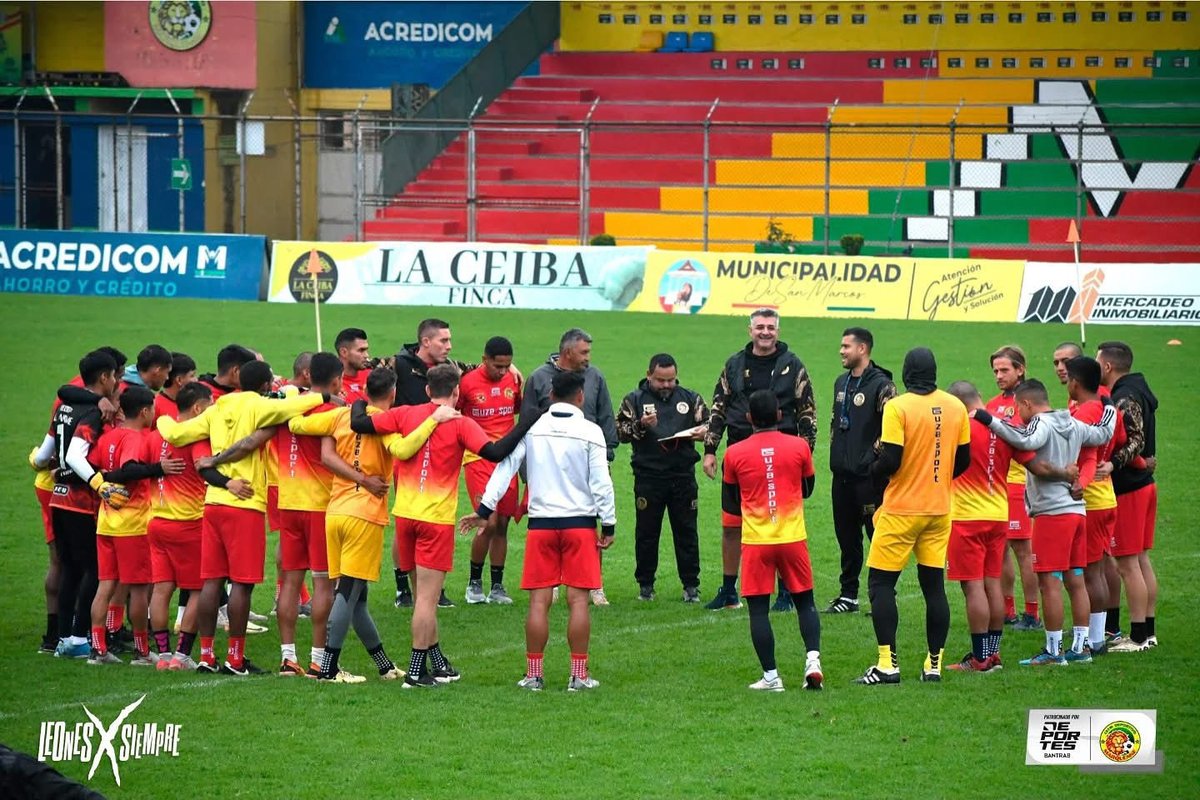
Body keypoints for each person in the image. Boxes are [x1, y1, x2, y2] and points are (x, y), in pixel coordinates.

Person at [349, 364, 534, 688]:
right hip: (434, 522)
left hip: (405, 517)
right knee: (426, 600)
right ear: (457, 392)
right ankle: (416, 671)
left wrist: (358, 399)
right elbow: (495, 452)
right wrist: (526, 422)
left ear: (427, 390)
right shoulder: (461, 423)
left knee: (423, 596)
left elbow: (359, 422)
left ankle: (437, 662)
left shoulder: (405, 413)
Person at [155, 360, 333, 675]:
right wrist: (326, 397)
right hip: (245, 502)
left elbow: (178, 434)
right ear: (265, 386)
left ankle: (206, 655)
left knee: (211, 581)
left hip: (213, 503)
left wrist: (162, 420)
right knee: (242, 584)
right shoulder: (260, 406)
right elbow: (295, 406)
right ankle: (235, 659)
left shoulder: (217, 408)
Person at [289, 367, 451, 683]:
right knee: (347, 594)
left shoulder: (339, 417)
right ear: (393, 393)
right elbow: (403, 449)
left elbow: (296, 423)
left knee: (357, 598)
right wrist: (434, 420)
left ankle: (384, 665)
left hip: (335, 513)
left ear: (365, 390)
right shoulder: (384, 423)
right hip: (364, 516)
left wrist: (314, 398)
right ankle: (328, 669)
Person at [460, 370, 616, 692]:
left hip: (541, 526)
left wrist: (484, 510)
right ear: (581, 397)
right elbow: (602, 483)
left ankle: (534, 675)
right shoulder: (591, 431)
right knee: (578, 601)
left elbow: (505, 468)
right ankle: (578, 676)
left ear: (551, 395)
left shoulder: (532, 428)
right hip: (579, 525)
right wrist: (609, 524)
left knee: (538, 603)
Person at [972, 378, 1116, 667]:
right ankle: (1081, 648)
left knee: (1049, 583)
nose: (1018, 415)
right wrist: (1110, 405)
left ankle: (1053, 652)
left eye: (1018, 409)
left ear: (1027, 404)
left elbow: (1024, 440)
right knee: (1075, 580)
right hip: (1077, 512)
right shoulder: (1073, 423)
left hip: (1053, 515)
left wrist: (988, 419)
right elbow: (1104, 432)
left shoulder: (1041, 423)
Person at [855, 348, 970, 686]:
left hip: (901, 511)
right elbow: (963, 459)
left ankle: (887, 665)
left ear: (906, 375)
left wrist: (872, 472)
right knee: (933, 587)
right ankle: (934, 665)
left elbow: (891, 458)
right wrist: (939, 479)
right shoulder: (956, 406)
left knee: (881, 584)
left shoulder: (898, 406)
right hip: (939, 510)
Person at [702, 308, 816, 612]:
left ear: (778, 331)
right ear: (749, 330)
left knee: (781, 523)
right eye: (760, 327)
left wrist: (804, 454)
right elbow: (719, 406)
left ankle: (786, 593)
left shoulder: (793, 366)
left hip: (782, 457)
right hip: (740, 454)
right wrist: (710, 449)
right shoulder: (734, 365)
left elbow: (807, 412)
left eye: (770, 327)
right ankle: (729, 590)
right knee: (731, 525)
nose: (765, 332)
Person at [722, 390, 823, 691]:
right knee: (805, 602)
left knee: (758, 611)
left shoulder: (734, 453)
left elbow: (730, 502)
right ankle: (813, 661)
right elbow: (808, 488)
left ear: (749, 418)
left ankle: (771, 677)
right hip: (793, 537)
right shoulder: (799, 446)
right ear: (780, 415)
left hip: (757, 542)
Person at [30, 351, 122, 659]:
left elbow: (44, 456)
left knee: (69, 569)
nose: (116, 382)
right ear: (104, 377)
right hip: (81, 504)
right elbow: (74, 456)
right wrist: (99, 484)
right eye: (114, 376)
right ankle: (79, 638)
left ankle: (62, 639)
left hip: (57, 498)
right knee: (93, 571)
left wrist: (42, 464)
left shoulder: (64, 408)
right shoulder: (93, 413)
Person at [87, 387, 184, 666]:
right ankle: (142, 652)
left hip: (106, 523)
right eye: (152, 409)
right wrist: (158, 469)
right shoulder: (135, 438)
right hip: (133, 525)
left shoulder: (108, 437)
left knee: (106, 585)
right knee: (140, 589)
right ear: (144, 411)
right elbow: (129, 470)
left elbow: (96, 470)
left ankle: (98, 649)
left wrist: (106, 478)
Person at [522, 328, 619, 605]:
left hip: (589, 458)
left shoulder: (595, 376)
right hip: (548, 464)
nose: (588, 357)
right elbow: (526, 421)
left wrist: (607, 452)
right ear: (567, 352)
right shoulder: (539, 378)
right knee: (551, 522)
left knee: (590, 520)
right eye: (584, 352)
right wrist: (528, 473)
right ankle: (550, 583)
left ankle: (594, 584)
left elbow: (605, 415)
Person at [390, 318, 476, 608]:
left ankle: (431, 588)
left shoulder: (450, 367)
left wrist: (510, 367)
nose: (449, 346)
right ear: (426, 342)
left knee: (426, 519)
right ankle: (403, 587)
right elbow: (368, 373)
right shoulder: (399, 365)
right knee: (407, 515)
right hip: (409, 453)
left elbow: (481, 367)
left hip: (440, 451)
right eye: (444, 340)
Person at [944, 381, 1023, 672]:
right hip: (998, 515)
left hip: (967, 517)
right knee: (992, 582)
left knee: (973, 586)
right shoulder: (1002, 428)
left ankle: (980, 659)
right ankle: (993, 653)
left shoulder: (961, 428)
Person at [615, 353, 707, 602]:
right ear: (649, 375)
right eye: (660, 380)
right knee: (647, 533)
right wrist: (641, 425)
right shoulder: (634, 400)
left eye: (671, 380)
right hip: (648, 478)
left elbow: (711, 425)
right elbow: (619, 432)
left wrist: (704, 433)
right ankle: (645, 586)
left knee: (687, 532)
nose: (666, 385)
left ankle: (691, 586)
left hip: (683, 477)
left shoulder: (690, 398)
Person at [273, 352, 342, 676]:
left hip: (288, 503)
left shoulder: (285, 408)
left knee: (290, 582)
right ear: (336, 381)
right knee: (323, 584)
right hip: (319, 507)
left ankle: (288, 657)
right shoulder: (333, 413)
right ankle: (317, 658)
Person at [826, 327, 895, 614]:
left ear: (862, 349)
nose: (841, 351)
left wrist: (870, 460)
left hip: (869, 479)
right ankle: (848, 596)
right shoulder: (841, 382)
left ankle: (882, 596)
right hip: (841, 476)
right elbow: (835, 423)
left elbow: (892, 429)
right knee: (846, 538)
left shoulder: (883, 386)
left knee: (877, 537)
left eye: (846, 346)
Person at [1097, 341, 1159, 652]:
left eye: (1098, 362)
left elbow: (1136, 440)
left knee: (1127, 564)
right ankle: (1147, 632)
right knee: (1140, 560)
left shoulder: (1125, 396)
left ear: (1108, 366)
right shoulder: (1138, 390)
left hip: (1130, 489)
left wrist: (1112, 463)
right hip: (1144, 484)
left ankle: (1137, 637)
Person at [147, 381, 213, 671]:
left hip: (156, 522)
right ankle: (182, 656)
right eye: (210, 406)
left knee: (162, 589)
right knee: (199, 589)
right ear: (198, 408)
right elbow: (206, 469)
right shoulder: (196, 439)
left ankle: (162, 655)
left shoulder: (156, 436)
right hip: (188, 524)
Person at [459, 336, 523, 606]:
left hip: (507, 459)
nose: (502, 371)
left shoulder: (514, 380)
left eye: (507, 366)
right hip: (478, 457)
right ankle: (474, 583)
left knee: (503, 524)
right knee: (489, 521)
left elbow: (520, 410)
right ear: (484, 360)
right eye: (498, 366)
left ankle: (497, 586)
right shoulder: (467, 383)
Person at [985, 345, 1041, 631]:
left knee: (1023, 552)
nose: (998, 375)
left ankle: (1032, 613)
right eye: (995, 370)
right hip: (994, 488)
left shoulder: (1029, 403)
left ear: (1020, 369)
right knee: (1000, 551)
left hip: (1019, 486)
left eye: (1004, 369)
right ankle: (1007, 610)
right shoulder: (992, 404)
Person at [154, 352, 197, 422]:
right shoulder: (155, 406)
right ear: (179, 380)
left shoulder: (194, 402)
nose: (196, 380)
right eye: (192, 376)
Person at [335, 327, 373, 404]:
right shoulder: (333, 385)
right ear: (344, 352)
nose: (367, 355)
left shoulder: (371, 376)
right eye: (361, 350)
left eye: (366, 350)